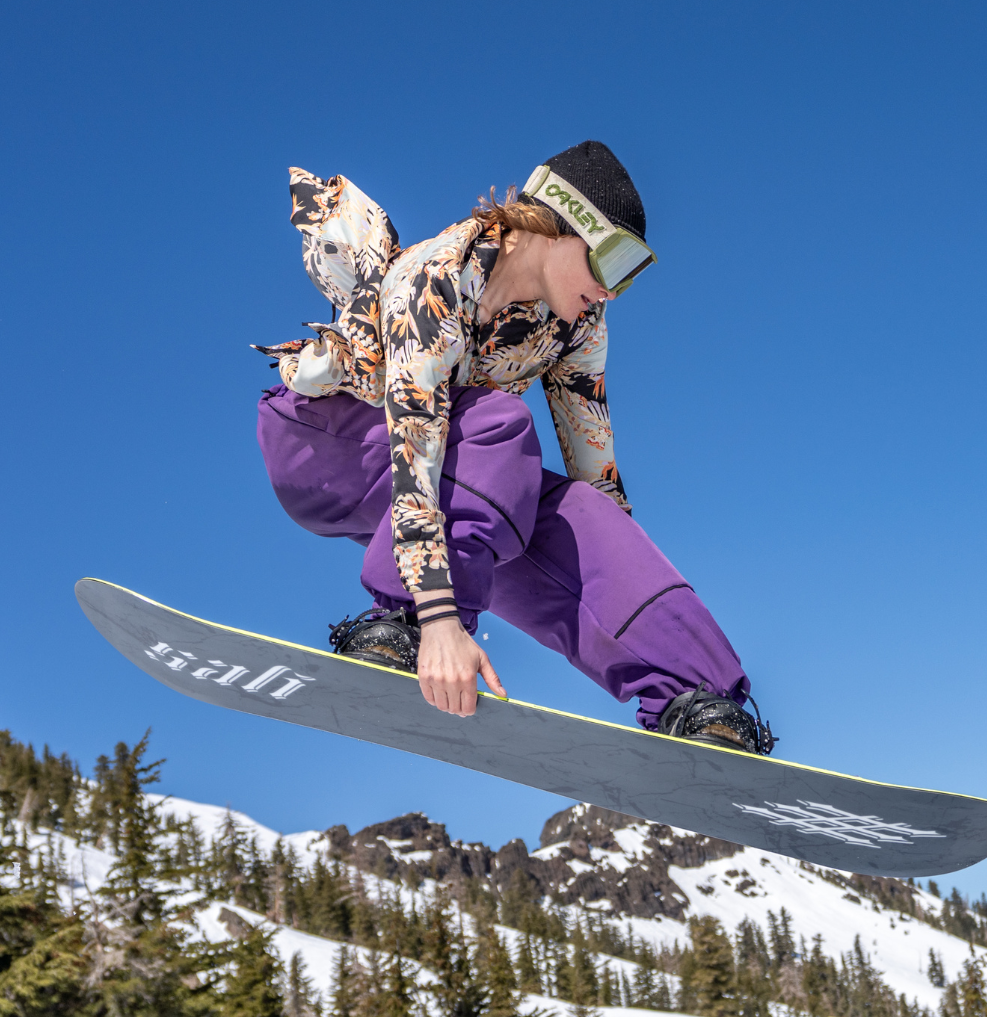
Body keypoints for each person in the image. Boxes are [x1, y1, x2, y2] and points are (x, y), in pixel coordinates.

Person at [251, 141, 771, 754]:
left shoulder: (577, 324)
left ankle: (694, 695)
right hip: (331, 443)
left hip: (464, 480)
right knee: (497, 425)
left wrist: (610, 559)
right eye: (609, 263)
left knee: (577, 513)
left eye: (629, 274)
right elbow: (416, 446)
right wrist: (439, 619)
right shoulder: (439, 277)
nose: (611, 291)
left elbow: (595, 470)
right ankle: (404, 625)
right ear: (555, 225)